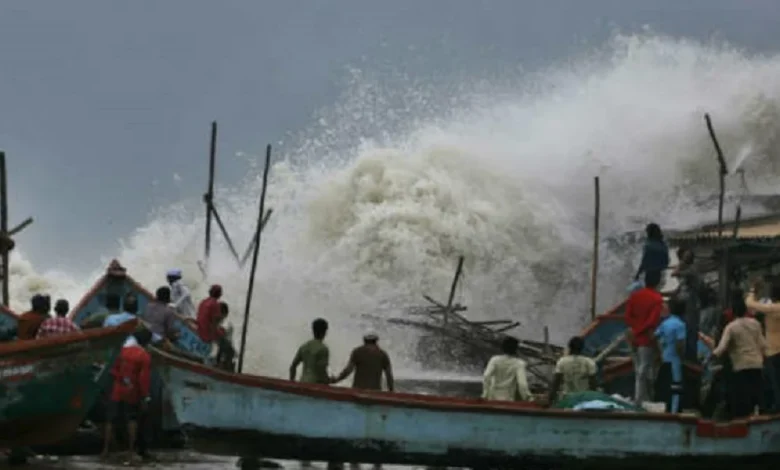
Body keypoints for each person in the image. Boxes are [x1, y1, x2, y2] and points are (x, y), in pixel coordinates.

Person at [101, 330, 153, 464]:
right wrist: (145, 396)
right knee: (132, 419)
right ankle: (131, 451)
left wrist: (121, 380)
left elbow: (113, 370)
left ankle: (106, 450)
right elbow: (144, 379)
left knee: (110, 420)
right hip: (132, 392)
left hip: (117, 390)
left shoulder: (122, 351)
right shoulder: (144, 355)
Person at [713, 292, 766, 419]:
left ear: (733, 312)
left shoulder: (731, 327)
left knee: (742, 397)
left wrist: (713, 355)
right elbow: (763, 344)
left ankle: (744, 420)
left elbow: (721, 348)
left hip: (741, 366)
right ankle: (758, 415)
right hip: (757, 364)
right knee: (757, 393)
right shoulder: (755, 324)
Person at [624, 270, 664, 405]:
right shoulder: (657, 299)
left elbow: (628, 317)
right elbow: (652, 321)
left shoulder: (634, 296)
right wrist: (641, 331)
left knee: (637, 367)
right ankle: (641, 399)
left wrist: (635, 330)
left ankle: (642, 397)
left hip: (632, 336)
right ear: (658, 282)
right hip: (645, 338)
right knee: (645, 368)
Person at [744, 278, 780, 412]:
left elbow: (750, 304)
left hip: (774, 352)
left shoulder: (772, 308)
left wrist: (753, 290)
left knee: (776, 383)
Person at [654, 296, 687, 413]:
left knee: (666, 386)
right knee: (676, 387)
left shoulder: (665, 323)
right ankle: (674, 411)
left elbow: (655, 337)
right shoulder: (680, 325)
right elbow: (680, 344)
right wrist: (683, 357)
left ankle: (666, 409)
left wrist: (659, 352)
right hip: (675, 360)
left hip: (665, 358)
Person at [547, 336, 596, 405]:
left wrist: (550, 400)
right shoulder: (589, 362)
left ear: (569, 347)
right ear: (582, 348)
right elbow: (593, 385)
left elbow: (556, 383)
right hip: (584, 399)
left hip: (567, 400)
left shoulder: (562, 362)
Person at [672, 247, 701, 362]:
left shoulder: (691, 270)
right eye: (684, 256)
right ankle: (686, 354)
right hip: (685, 302)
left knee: (691, 328)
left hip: (691, 302)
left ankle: (691, 356)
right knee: (684, 327)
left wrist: (681, 264)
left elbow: (675, 273)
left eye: (687, 257)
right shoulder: (687, 270)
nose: (685, 259)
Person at [482, 337, 533, 402]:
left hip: (492, 397)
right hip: (507, 398)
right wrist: (528, 398)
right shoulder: (519, 363)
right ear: (516, 350)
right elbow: (522, 384)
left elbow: (486, 376)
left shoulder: (494, 359)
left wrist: (485, 394)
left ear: (503, 348)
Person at [289, 318, 331, 384]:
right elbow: (322, 371)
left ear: (313, 330)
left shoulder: (304, 346)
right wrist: (329, 380)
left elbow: (293, 367)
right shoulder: (323, 349)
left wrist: (291, 383)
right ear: (325, 332)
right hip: (316, 385)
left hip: (302, 382)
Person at [214, 301, 236, 371]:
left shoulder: (226, 325)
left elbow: (222, 335)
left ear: (225, 314)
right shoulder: (216, 322)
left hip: (227, 354)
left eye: (219, 313)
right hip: (221, 350)